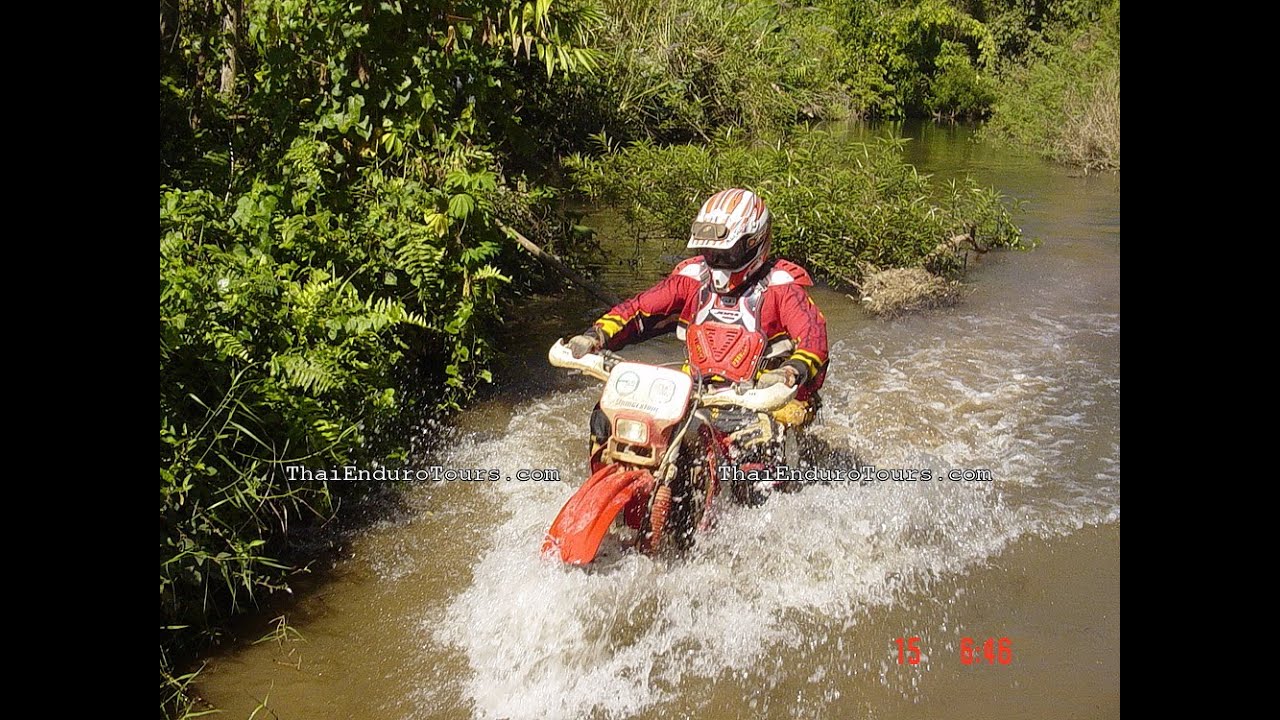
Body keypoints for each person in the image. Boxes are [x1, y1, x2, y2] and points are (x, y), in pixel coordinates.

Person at [566, 188, 829, 483]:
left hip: (759, 399)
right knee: (607, 415)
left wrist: (791, 371)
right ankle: (602, 488)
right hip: (695, 392)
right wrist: (595, 335)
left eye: (726, 253)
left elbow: (813, 339)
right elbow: (638, 310)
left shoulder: (781, 287)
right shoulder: (692, 279)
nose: (716, 260)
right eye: (711, 252)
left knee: (757, 456)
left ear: (754, 243)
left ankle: (757, 524)